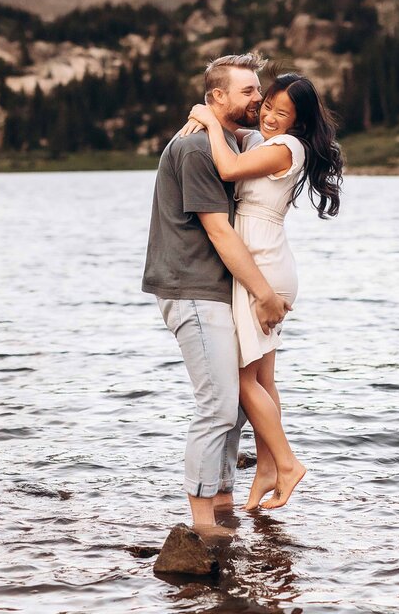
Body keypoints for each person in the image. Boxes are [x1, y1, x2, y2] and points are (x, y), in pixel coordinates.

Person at [142, 52, 293, 533]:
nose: (259, 99)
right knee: (219, 404)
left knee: (236, 405)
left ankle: (224, 499)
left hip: (217, 289)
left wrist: (207, 118)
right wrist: (264, 294)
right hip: (192, 288)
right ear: (217, 96)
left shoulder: (227, 140)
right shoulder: (196, 149)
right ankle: (203, 521)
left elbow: (269, 143)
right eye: (248, 91)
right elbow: (219, 231)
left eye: (258, 90)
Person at [181, 72, 343, 510]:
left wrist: (207, 120)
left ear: (299, 121)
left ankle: (287, 463)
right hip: (266, 261)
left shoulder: (286, 148)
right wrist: (214, 117)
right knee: (263, 379)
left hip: (264, 269)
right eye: (267, 105)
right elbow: (239, 131)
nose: (269, 116)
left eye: (281, 113)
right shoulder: (265, 140)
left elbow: (228, 169)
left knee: (241, 379)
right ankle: (268, 468)